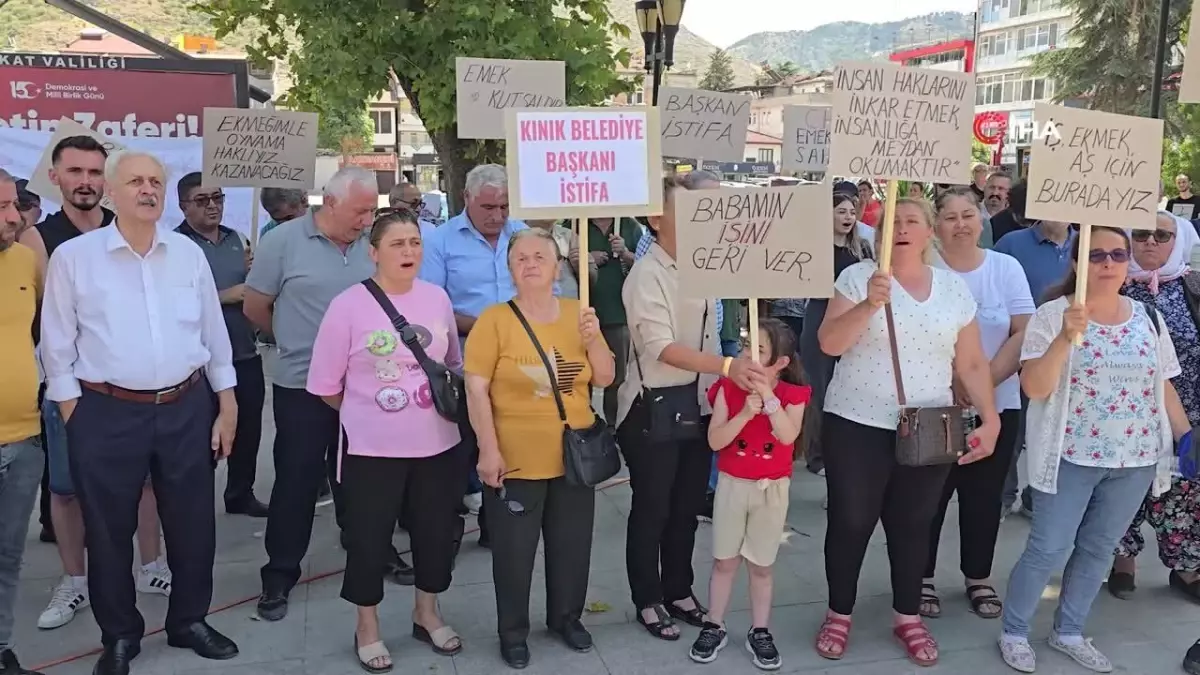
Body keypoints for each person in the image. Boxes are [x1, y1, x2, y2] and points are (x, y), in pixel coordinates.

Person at [41, 150, 241, 675]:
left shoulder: (186, 254)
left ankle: (189, 621)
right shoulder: (76, 258)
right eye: (135, 181)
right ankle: (121, 634)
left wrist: (227, 401)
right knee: (108, 531)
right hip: (105, 412)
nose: (147, 190)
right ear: (111, 191)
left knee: (194, 522)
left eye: (155, 181)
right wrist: (73, 415)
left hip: (186, 407)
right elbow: (57, 345)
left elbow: (212, 334)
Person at [814, 198, 1001, 667]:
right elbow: (828, 343)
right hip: (857, 422)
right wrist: (867, 306)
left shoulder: (954, 290)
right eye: (891, 221)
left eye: (911, 220)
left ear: (929, 232)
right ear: (876, 233)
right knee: (851, 521)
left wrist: (990, 416)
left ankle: (907, 615)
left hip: (930, 423)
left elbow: (972, 362)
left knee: (914, 525)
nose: (900, 228)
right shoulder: (857, 279)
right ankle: (840, 611)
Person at [997, 227, 1192, 674]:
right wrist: (1065, 337)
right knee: (1047, 548)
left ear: (1129, 262)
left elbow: (1163, 384)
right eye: (1097, 254)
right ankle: (1014, 631)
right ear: (1077, 262)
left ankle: (1068, 630)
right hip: (1069, 457)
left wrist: (1186, 439)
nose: (1108, 263)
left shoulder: (1148, 317)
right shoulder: (1052, 315)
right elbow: (1034, 386)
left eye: (1118, 254)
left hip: (1134, 460)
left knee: (1099, 549)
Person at [247, 166, 414, 622]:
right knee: (297, 481)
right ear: (331, 202)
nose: (366, 220)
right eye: (360, 211)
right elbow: (256, 307)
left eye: (370, 212)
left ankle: (374, 552)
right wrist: (293, 340)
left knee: (365, 479)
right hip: (301, 385)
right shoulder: (282, 242)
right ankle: (279, 574)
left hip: (364, 386)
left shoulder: (372, 246)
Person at [307, 209, 466, 672]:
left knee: (436, 534)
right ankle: (368, 626)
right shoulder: (348, 305)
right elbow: (325, 385)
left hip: (437, 444)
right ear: (373, 252)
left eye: (415, 242)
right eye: (397, 244)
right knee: (369, 539)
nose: (409, 252)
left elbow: (450, 362)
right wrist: (371, 410)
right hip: (371, 450)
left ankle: (427, 611)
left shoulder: (436, 298)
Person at [619, 175, 768, 643]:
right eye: (686, 212)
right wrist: (726, 365)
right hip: (654, 410)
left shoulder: (705, 268)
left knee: (685, 508)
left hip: (699, 407)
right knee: (653, 508)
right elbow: (661, 346)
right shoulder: (647, 274)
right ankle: (647, 599)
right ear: (656, 218)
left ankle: (678, 590)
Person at [34, 137, 172, 633]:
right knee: (68, 489)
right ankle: (75, 580)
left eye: (95, 172)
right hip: (71, 390)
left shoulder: (146, 236)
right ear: (56, 178)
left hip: (134, 392)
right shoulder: (40, 238)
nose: (86, 182)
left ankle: (152, 567)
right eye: (76, 172)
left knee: (148, 483)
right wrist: (68, 400)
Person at [464, 227, 614, 669]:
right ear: (510, 269)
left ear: (556, 266)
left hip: (574, 457)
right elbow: (476, 390)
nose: (530, 264)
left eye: (539, 257)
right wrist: (487, 450)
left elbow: (604, 377)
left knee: (572, 546)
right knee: (513, 554)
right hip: (515, 459)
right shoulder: (494, 320)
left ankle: (566, 618)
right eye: (520, 258)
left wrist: (595, 337)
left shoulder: (579, 313)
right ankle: (512, 631)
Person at [920, 187, 1033, 620]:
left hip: (996, 404)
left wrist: (981, 381)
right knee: (927, 497)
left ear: (983, 219)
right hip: (934, 404)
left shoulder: (1005, 269)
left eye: (969, 214)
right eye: (950, 217)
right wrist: (954, 379)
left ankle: (977, 576)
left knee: (984, 497)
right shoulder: (924, 269)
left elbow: (1023, 331)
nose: (961, 224)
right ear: (937, 225)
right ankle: (921, 575)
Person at [688, 318, 810, 670]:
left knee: (761, 565)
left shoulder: (793, 395)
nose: (748, 356)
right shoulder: (727, 388)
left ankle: (760, 630)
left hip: (772, 490)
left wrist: (769, 400)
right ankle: (715, 622)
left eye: (759, 351)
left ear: (780, 363)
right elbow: (715, 440)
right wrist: (744, 413)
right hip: (731, 485)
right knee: (725, 561)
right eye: (745, 347)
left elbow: (788, 437)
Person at [420, 164, 531, 546]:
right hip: (463, 369)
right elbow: (432, 308)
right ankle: (446, 535)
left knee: (511, 450)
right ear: (466, 199)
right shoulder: (440, 242)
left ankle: (496, 526)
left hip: (518, 367)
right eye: (488, 207)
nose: (497, 216)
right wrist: (490, 326)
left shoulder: (523, 235)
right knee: (460, 455)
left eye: (504, 206)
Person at [1108, 213, 1200, 599]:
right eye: (1142, 234)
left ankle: (1186, 566)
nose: (1150, 242)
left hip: (1187, 413)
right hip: (1125, 414)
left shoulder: (1193, 287)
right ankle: (1121, 559)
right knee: (1122, 488)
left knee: (1183, 490)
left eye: (1162, 235)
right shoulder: (1114, 286)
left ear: (1176, 241)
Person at [175, 173, 268, 517]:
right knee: (201, 435)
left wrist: (254, 277)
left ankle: (240, 493)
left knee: (249, 429)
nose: (212, 206)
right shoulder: (174, 247)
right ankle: (196, 500)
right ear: (183, 207)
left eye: (218, 198)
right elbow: (170, 305)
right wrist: (224, 297)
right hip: (199, 361)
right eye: (202, 200)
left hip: (243, 351)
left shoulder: (238, 240)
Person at [994, 215, 1076, 518]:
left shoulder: (1086, 243)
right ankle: (1003, 496)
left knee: (1054, 432)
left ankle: (1035, 496)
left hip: (1071, 355)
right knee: (1013, 431)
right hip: (1021, 351)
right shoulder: (1011, 244)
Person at [0, 169, 47, 675]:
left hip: (24, 439)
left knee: (8, 558)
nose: (14, 216)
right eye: (2, 208)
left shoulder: (24, 260)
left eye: (14, 204)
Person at [799, 193, 873, 478]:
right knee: (819, 386)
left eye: (851, 212)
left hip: (854, 316)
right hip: (820, 313)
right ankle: (816, 454)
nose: (847, 217)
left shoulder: (862, 249)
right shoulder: (815, 248)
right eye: (841, 211)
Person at [586, 215, 642, 423]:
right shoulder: (574, 225)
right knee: (583, 376)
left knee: (617, 378)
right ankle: (585, 427)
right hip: (584, 314)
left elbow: (646, 265)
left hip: (618, 313)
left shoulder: (629, 226)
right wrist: (586, 258)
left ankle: (613, 428)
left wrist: (626, 253)